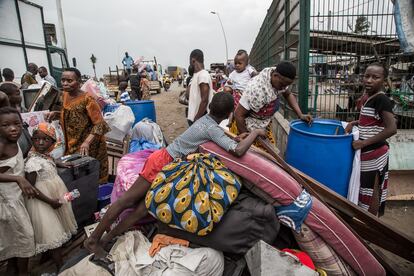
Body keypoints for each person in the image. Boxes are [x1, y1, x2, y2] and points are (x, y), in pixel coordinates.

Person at [84, 92, 267, 257]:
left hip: (168, 167)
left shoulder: (206, 122)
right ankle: (92, 240)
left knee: (140, 211)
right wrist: (255, 133)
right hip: (162, 163)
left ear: (210, 107)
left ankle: (106, 242)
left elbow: (222, 138)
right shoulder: (211, 128)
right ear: (229, 114)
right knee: (127, 201)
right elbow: (238, 151)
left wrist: (237, 137)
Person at [345, 63, 397, 216]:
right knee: (364, 188)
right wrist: (354, 123)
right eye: (367, 76)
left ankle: (371, 225)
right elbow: (372, 121)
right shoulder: (367, 97)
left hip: (375, 152)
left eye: (375, 77)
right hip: (366, 151)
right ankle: (365, 221)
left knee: (371, 189)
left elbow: (391, 128)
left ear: (384, 80)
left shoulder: (381, 100)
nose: (369, 80)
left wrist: (364, 142)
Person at [24, 122, 77, 269]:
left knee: (57, 228)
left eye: (45, 139)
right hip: (41, 201)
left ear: (53, 142)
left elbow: (49, 160)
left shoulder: (44, 156)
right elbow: (30, 188)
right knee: (52, 233)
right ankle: (61, 265)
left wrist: (58, 163)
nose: (40, 142)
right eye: (36, 139)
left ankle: (49, 259)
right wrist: (50, 201)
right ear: (32, 140)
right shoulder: (32, 161)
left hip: (53, 196)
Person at [46, 68, 110, 183]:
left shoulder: (88, 99)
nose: (65, 83)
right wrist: (55, 114)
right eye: (63, 80)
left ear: (79, 82)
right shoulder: (64, 95)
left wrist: (87, 142)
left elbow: (100, 124)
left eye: (69, 81)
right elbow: (71, 114)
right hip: (72, 141)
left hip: (91, 144)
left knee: (90, 172)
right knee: (75, 172)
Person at [232, 61, 312, 148]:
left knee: (271, 154)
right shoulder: (257, 89)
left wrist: (300, 114)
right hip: (246, 128)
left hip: (262, 125)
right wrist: (247, 142)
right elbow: (238, 114)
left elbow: (288, 94)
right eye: (282, 85)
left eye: (286, 85)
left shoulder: (277, 77)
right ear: (275, 76)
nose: (283, 88)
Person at [0, 107, 36, 275]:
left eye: (17, 124)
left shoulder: (15, 141)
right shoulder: (1, 145)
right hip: (7, 201)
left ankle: (13, 269)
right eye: (5, 125)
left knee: (14, 239)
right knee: (25, 237)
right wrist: (18, 178)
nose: (13, 128)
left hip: (16, 198)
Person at [224, 50, 258, 123]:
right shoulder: (233, 73)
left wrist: (255, 75)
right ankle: (231, 118)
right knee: (232, 105)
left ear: (246, 63)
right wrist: (229, 83)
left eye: (240, 63)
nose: (237, 65)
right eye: (235, 63)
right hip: (236, 93)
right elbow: (228, 83)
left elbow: (256, 75)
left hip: (247, 93)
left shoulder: (249, 70)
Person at [187, 49, 214, 126]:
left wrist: (196, 119)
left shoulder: (203, 75)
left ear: (193, 60)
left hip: (199, 120)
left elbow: (204, 101)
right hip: (193, 118)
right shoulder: (197, 75)